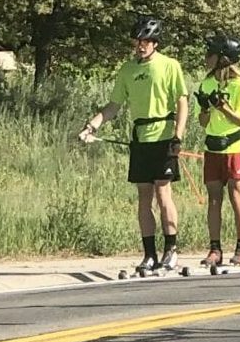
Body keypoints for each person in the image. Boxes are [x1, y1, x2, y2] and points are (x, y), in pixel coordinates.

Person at [80, 16, 190, 273]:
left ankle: (171, 251)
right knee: (143, 197)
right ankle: (149, 254)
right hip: (140, 138)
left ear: (155, 42)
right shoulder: (127, 70)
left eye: (144, 41)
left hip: (163, 136)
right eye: (137, 42)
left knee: (164, 194)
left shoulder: (169, 65)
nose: (139, 46)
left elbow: (182, 101)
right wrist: (93, 124)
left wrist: (178, 135)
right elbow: (114, 105)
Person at [197, 33, 240, 269]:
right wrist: (205, 108)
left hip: (234, 146)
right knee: (213, 198)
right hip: (213, 146)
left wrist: (223, 107)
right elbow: (202, 122)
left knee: (235, 194)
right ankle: (215, 248)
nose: (206, 58)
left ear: (222, 59)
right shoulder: (207, 83)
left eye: (210, 54)